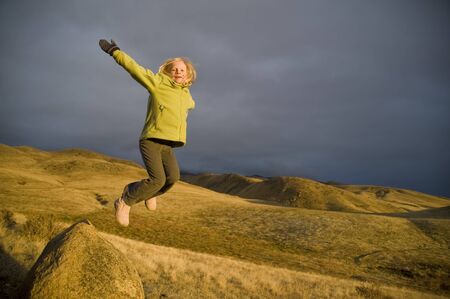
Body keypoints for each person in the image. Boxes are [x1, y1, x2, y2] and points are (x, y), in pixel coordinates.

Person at [99, 39, 197, 227]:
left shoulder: (186, 95)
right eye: (174, 69)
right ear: (168, 70)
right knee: (157, 179)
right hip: (151, 140)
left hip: (168, 145)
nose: (178, 72)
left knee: (173, 178)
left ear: (187, 75)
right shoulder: (157, 83)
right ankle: (125, 200)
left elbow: (190, 104)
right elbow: (134, 68)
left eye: (182, 70)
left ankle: (149, 193)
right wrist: (115, 51)